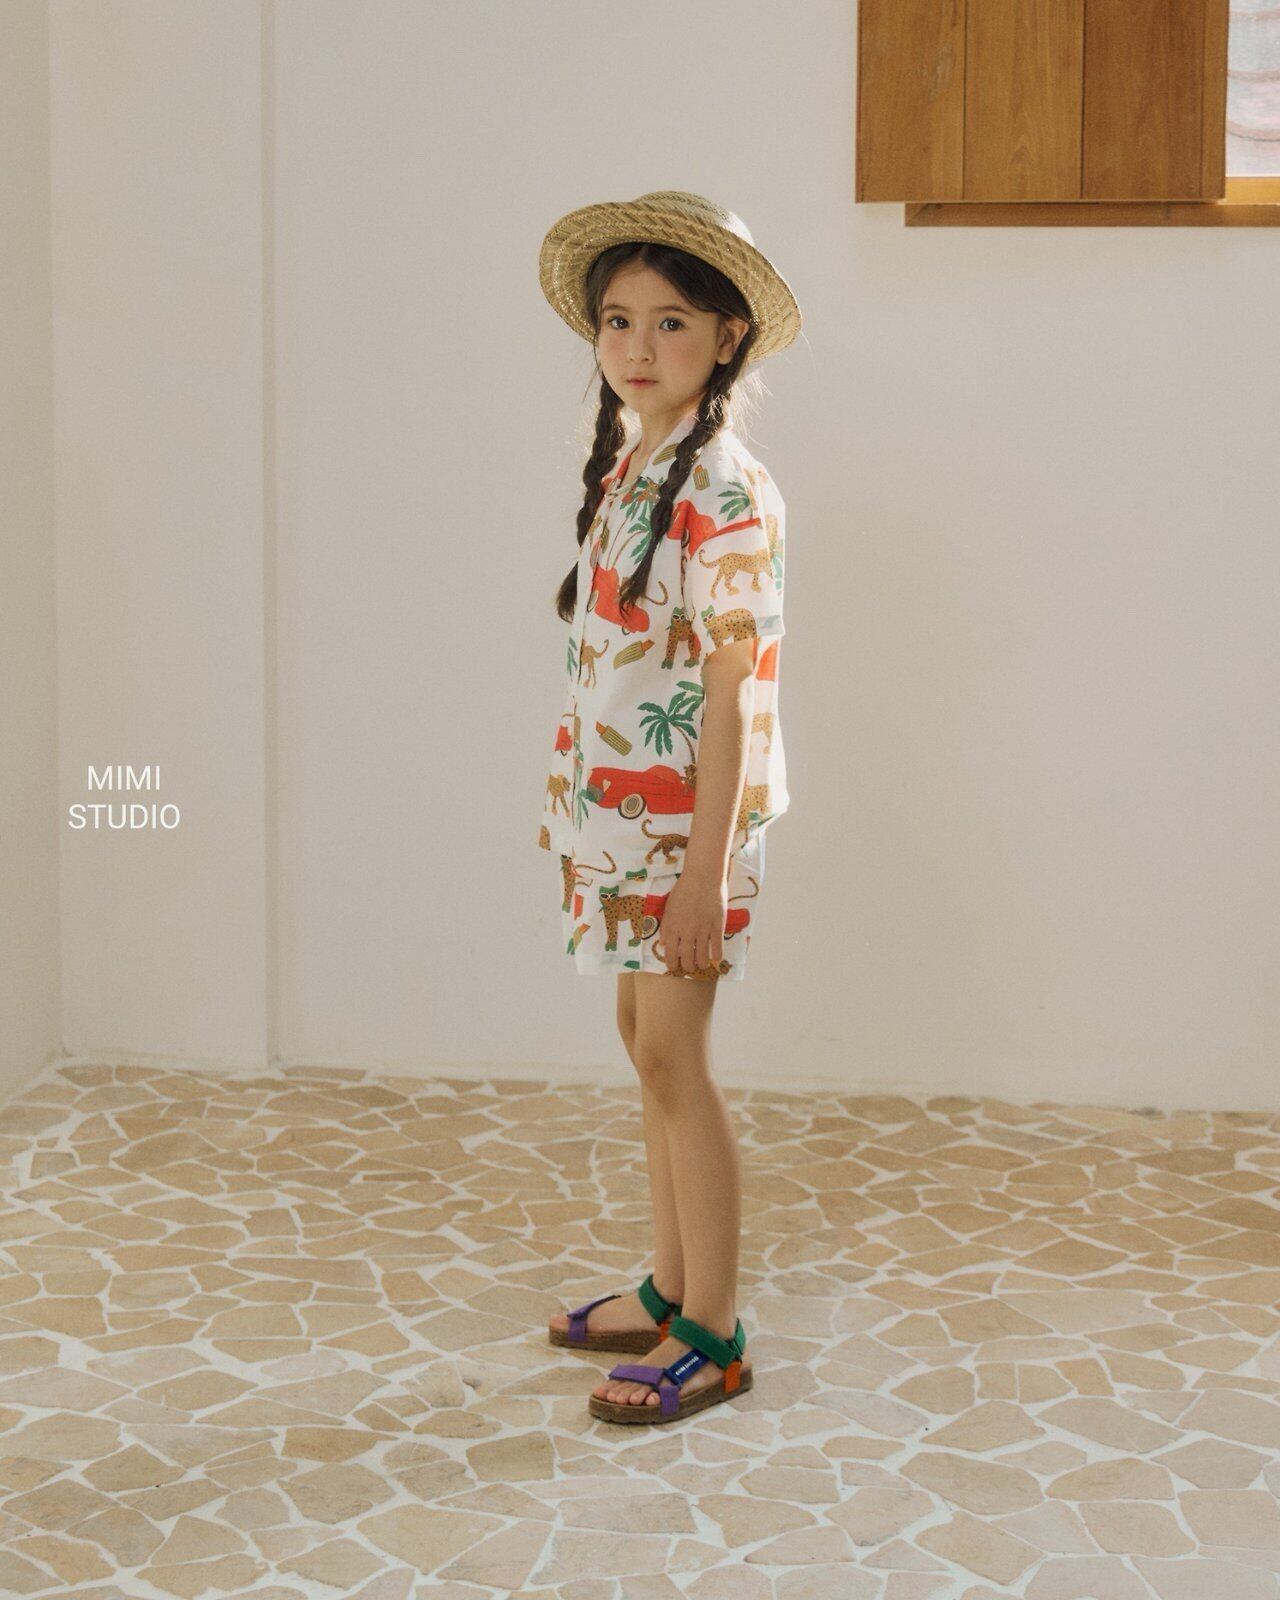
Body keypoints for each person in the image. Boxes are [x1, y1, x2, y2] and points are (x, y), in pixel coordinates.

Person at [535, 191, 802, 1424]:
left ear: (726, 336)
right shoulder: (636, 461)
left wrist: (704, 870)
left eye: (671, 322)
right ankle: (668, 1281)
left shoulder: (725, 489)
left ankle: (715, 1329)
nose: (637, 346)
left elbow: (734, 692)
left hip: (684, 829)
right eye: (618, 320)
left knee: (674, 1057)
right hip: (613, 818)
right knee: (640, 1044)